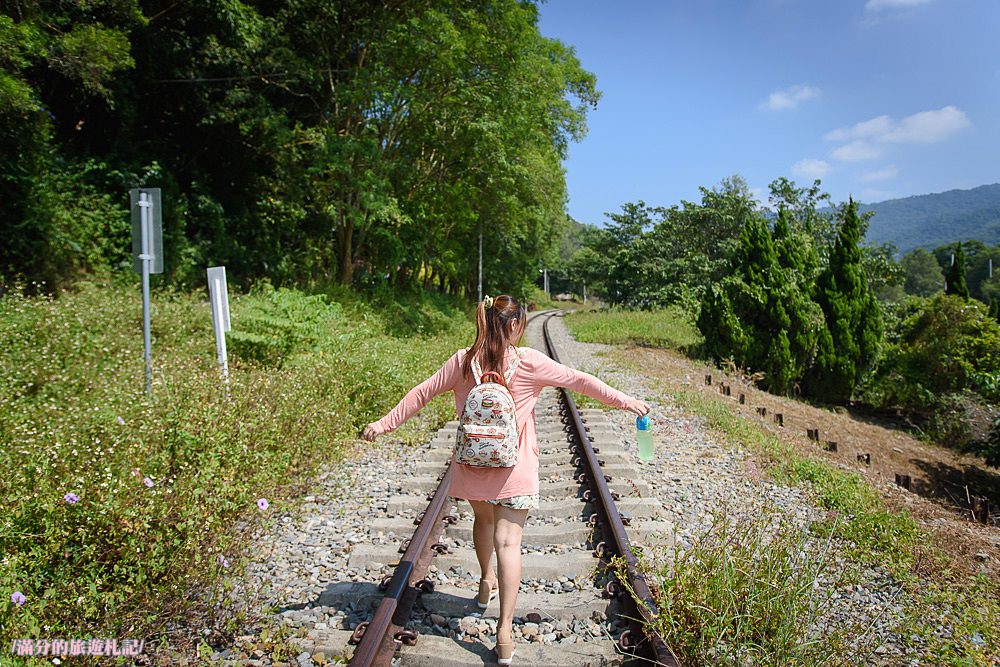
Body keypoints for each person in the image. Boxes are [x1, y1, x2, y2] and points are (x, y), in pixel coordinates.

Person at [362, 295, 650, 665]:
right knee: (508, 542)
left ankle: (485, 582)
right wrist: (628, 402)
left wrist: (382, 424)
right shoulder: (528, 362)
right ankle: (505, 632)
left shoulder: (463, 360)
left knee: (483, 521)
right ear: (514, 325)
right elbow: (579, 381)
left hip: (473, 470)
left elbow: (422, 393)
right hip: (515, 471)